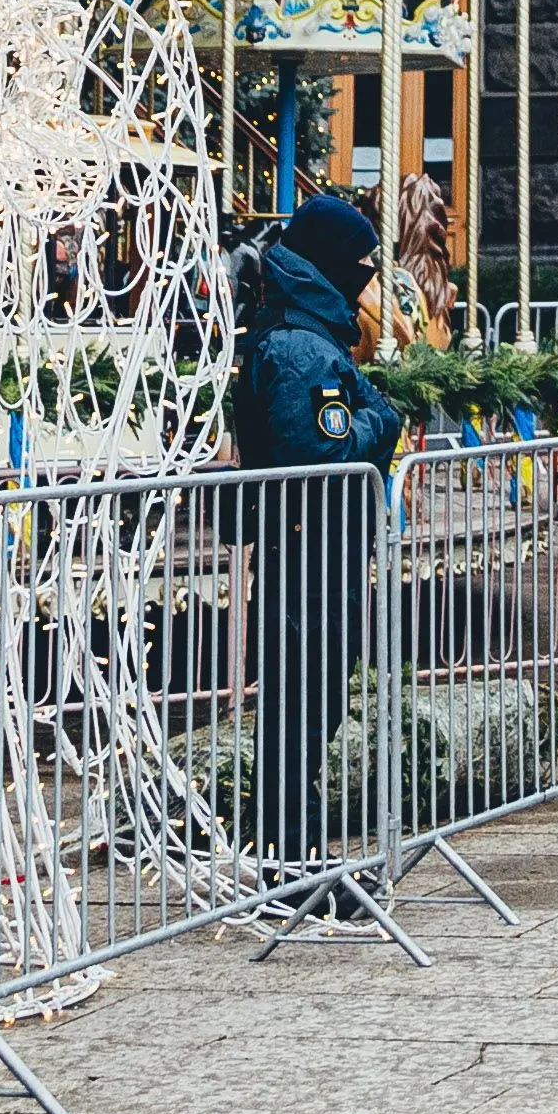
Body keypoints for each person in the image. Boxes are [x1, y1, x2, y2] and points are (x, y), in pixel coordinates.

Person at [224, 194, 403, 852]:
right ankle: (290, 857)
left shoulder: (309, 333)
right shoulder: (301, 345)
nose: (368, 274)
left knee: (311, 705)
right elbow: (321, 449)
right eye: (360, 262)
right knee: (301, 707)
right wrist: (380, 420)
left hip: (315, 547)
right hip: (305, 550)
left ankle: (293, 850)